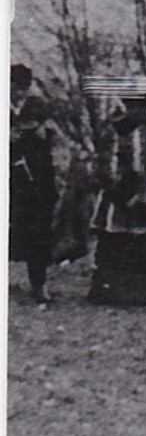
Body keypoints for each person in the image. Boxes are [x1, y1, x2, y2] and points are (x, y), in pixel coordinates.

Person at [88, 86, 146, 305]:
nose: (138, 111)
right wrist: (124, 195)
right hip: (121, 196)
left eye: (142, 106)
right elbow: (106, 168)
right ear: (127, 107)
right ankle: (116, 291)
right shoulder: (115, 130)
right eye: (133, 106)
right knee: (119, 240)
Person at [10, 65, 58, 304]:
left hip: (34, 180)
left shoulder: (37, 108)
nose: (18, 92)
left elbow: (49, 135)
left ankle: (39, 284)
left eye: (23, 87)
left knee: (37, 231)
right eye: (14, 86)